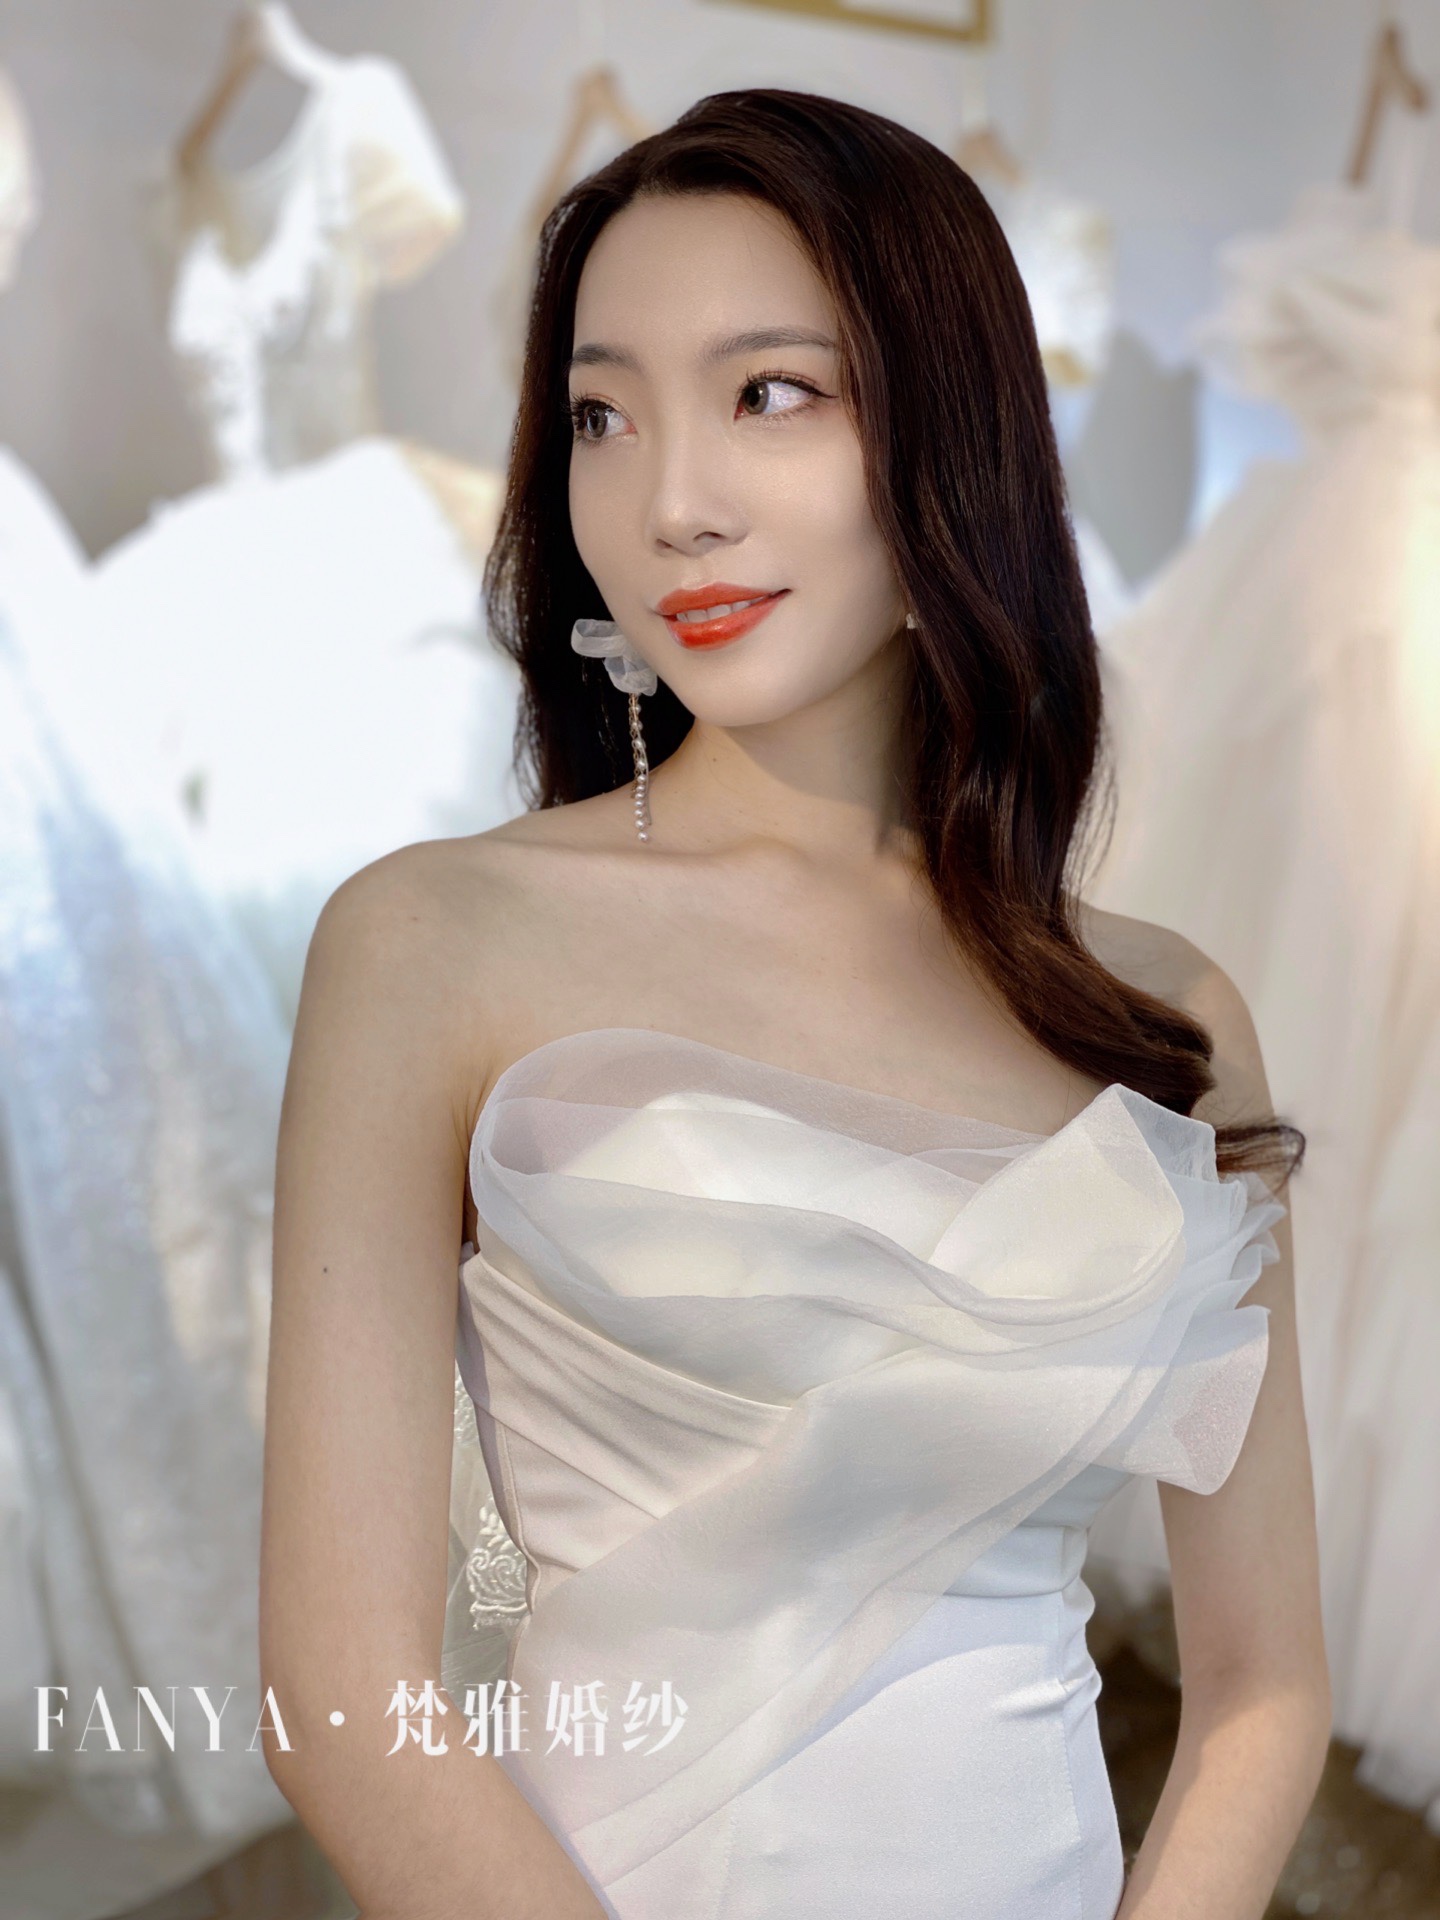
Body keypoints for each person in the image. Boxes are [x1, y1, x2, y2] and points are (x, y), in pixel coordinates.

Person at [260, 90, 1331, 1920]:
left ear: (951, 436)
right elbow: (341, 1696)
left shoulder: (1160, 1015)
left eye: (770, 393)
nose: (671, 502)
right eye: (602, 416)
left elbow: (1262, 1688)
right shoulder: (430, 945)